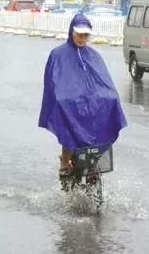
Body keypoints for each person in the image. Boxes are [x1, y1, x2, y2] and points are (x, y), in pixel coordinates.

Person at [38, 13, 127, 177]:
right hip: (70, 103)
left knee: (103, 114)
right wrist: (63, 99)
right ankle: (65, 162)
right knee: (68, 125)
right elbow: (54, 82)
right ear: (71, 32)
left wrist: (110, 97)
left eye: (85, 35)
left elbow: (104, 81)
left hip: (90, 103)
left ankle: (95, 162)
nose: (82, 38)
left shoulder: (94, 56)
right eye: (79, 34)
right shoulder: (58, 55)